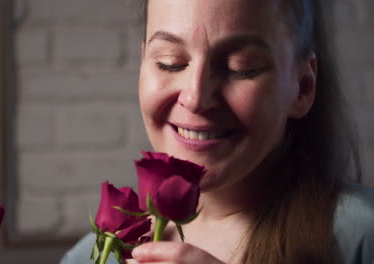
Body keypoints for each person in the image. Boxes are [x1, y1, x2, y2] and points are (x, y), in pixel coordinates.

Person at [61, 0, 374, 263]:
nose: (196, 97)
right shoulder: (92, 255)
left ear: (302, 88)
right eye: (170, 63)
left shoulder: (360, 236)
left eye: (241, 67)